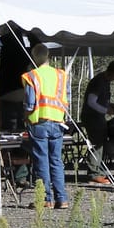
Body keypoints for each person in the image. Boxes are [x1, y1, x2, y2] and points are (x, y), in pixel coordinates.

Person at [21, 44, 71, 209]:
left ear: (34, 57)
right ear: (48, 55)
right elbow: (65, 98)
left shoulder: (32, 76)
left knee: (41, 160)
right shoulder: (60, 75)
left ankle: (45, 199)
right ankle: (61, 198)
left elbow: (29, 103)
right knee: (56, 160)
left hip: (39, 123)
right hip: (57, 122)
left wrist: (26, 117)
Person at [79, 61, 114, 181]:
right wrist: (106, 110)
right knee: (96, 143)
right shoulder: (98, 82)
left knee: (101, 141)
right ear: (113, 72)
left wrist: (109, 105)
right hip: (91, 116)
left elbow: (99, 100)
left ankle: (97, 169)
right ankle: (93, 173)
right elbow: (91, 101)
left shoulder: (105, 82)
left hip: (98, 117)